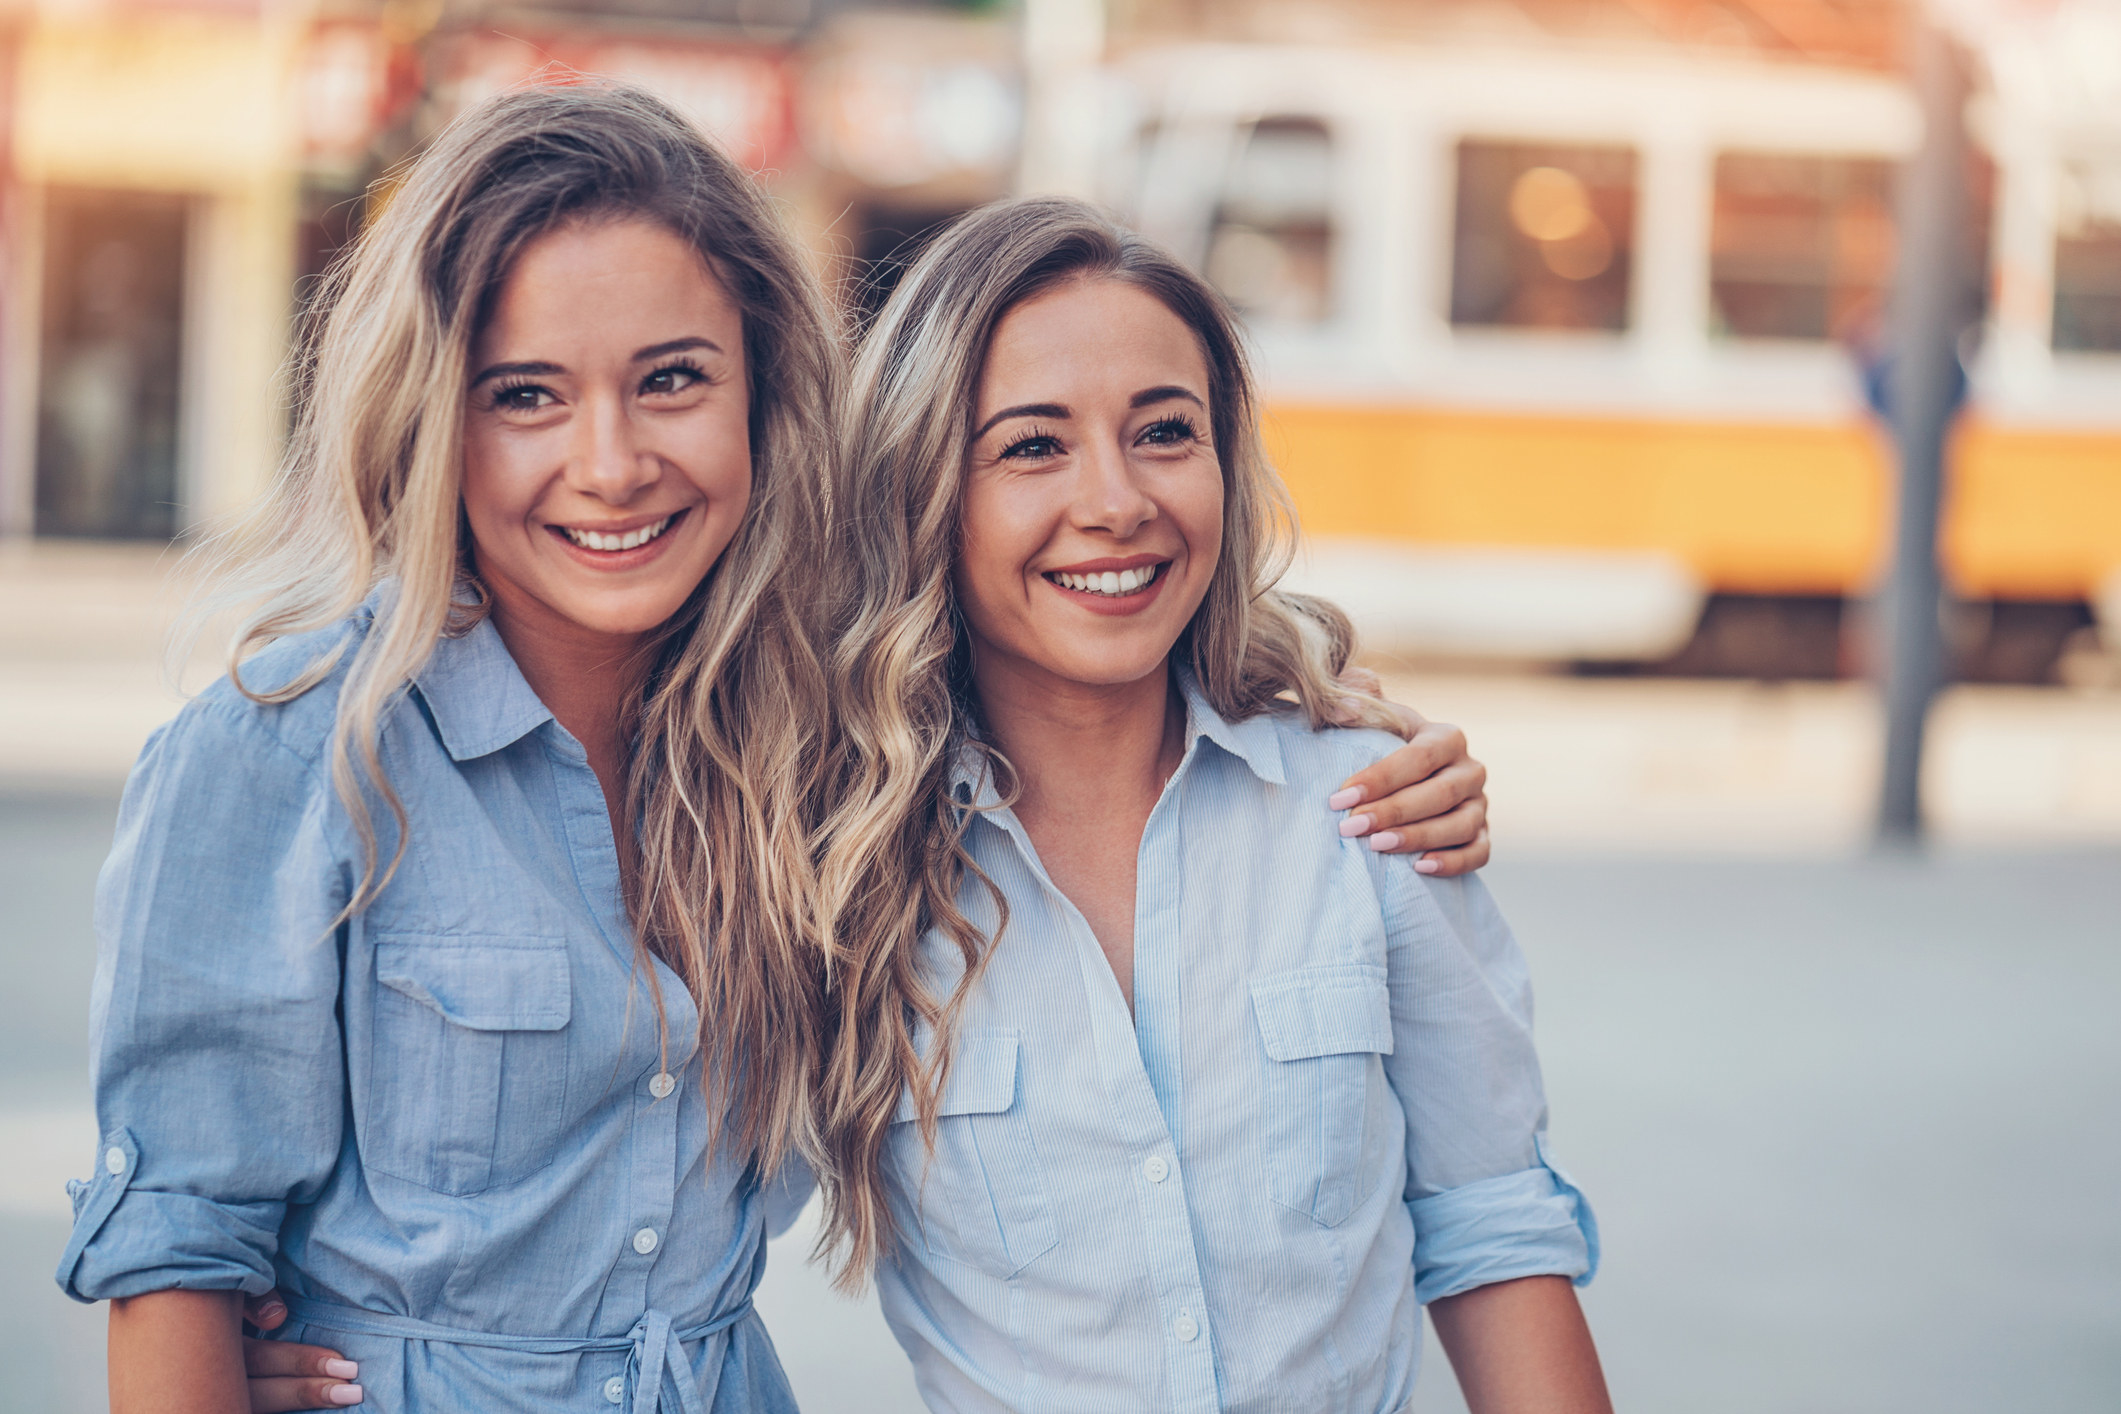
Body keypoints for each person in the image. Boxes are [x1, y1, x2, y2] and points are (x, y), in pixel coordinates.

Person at [60, 86, 1489, 1413]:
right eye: (526, 395)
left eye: (672, 379)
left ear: (759, 393)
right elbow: (179, 1242)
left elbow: (1071, 648)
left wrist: (1346, 721)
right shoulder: (290, 753)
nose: (612, 463)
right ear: (432, 416)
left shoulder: (807, 746)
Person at [812, 197, 1608, 1414]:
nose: (1118, 500)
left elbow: (1491, 1221)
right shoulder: (836, 867)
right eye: (1033, 446)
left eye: (1165, 432)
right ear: (923, 490)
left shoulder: (1369, 809)